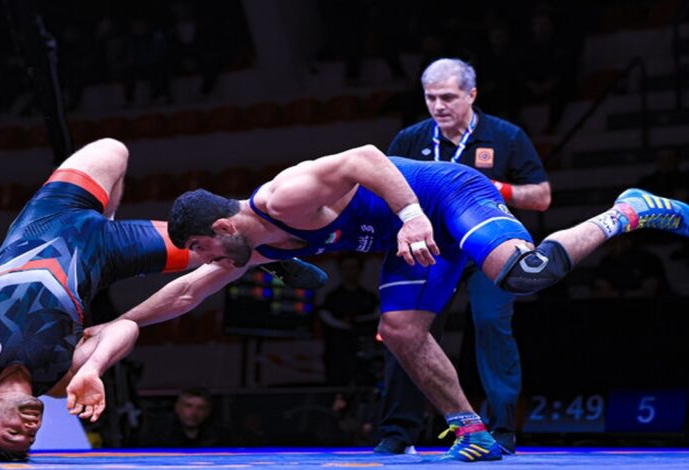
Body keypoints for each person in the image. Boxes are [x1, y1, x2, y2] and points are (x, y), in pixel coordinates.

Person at [90, 142, 689, 462]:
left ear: (221, 226)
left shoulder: (284, 196)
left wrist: (410, 215)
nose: (202, 259)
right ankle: (472, 430)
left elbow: (367, 158)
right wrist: (120, 322)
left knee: (523, 276)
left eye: (200, 247)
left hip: (442, 197)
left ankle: (627, 211)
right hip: (412, 236)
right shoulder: (253, 248)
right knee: (401, 329)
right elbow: (187, 291)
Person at [0, 138, 325, 461]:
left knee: (113, 150)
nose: (30, 429)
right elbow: (126, 327)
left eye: (13, 433)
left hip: (49, 217)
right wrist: (93, 367)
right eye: (30, 438)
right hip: (107, 255)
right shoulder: (60, 382)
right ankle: (268, 258)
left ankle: (112, 217)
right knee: (229, 245)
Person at [375, 58, 550, 456]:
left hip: (486, 248)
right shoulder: (410, 138)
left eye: (448, 97)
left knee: (491, 324)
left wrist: (491, 187)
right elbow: (383, 189)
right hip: (431, 249)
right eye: (431, 97)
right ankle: (398, 432)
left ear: (471, 94)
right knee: (408, 332)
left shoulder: (504, 136)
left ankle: (502, 430)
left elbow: (541, 197)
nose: (438, 106)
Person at [318, 254, 379, 386]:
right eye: (345, 268)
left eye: (353, 268)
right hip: (337, 351)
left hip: (364, 351)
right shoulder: (332, 298)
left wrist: (355, 322)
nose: (349, 272)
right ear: (340, 270)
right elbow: (325, 318)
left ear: (360, 270)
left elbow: (376, 318)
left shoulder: (369, 298)